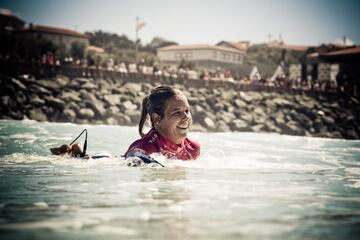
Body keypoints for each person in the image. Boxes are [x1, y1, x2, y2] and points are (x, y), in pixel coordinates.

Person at [124, 85, 200, 161]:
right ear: (157, 118)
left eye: (187, 111)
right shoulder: (145, 148)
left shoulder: (193, 149)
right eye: (177, 113)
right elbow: (133, 155)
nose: (186, 117)